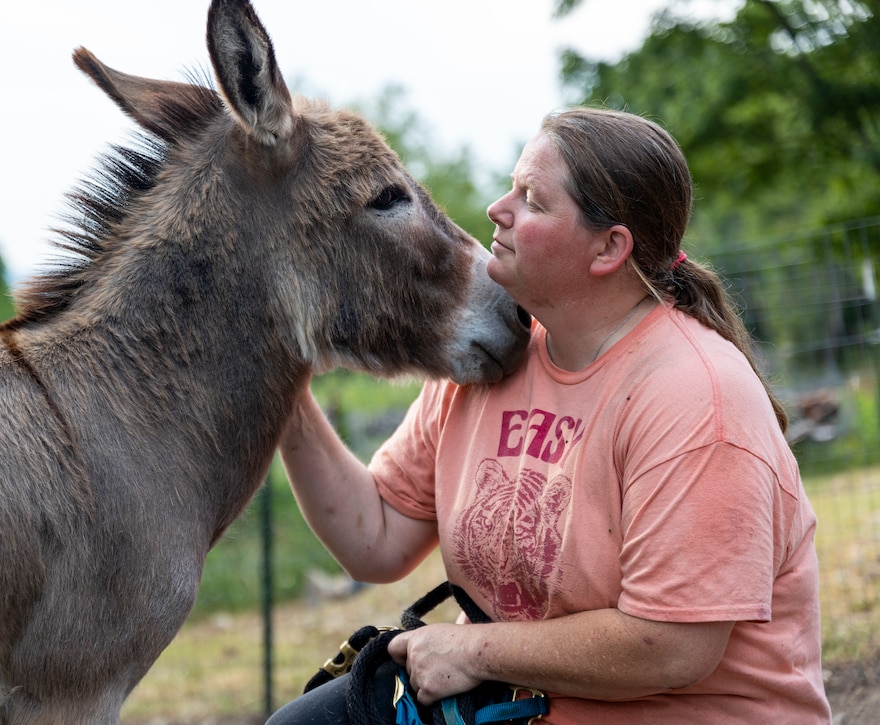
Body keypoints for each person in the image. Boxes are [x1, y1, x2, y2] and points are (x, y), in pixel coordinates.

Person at [269, 107, 830, 724]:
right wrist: (279, 380)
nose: (496, 210)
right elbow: (374, 539)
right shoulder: (490, 361)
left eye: (532, 199)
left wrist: (474, 650)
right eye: (511, 186)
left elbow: (672, 647)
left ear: (608, 248)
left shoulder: (695, 398)